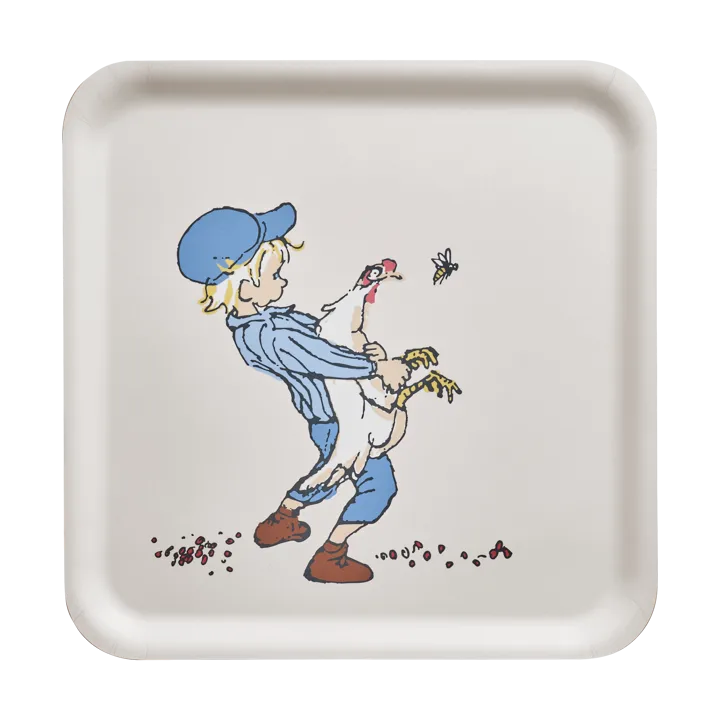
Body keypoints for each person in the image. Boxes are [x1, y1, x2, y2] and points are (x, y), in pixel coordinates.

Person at [177, 202, 410, 583]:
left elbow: (322, 335)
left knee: (329, 475)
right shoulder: (272, 334)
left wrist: (359, 298)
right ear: (245, 286)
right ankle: (329, 555)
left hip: (332, 415)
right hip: (339, 418)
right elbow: (321, 356)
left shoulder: (262, 324)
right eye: (276, 274)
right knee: (376, 485)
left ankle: (282, 520)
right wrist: (375, 368)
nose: (283, 282)